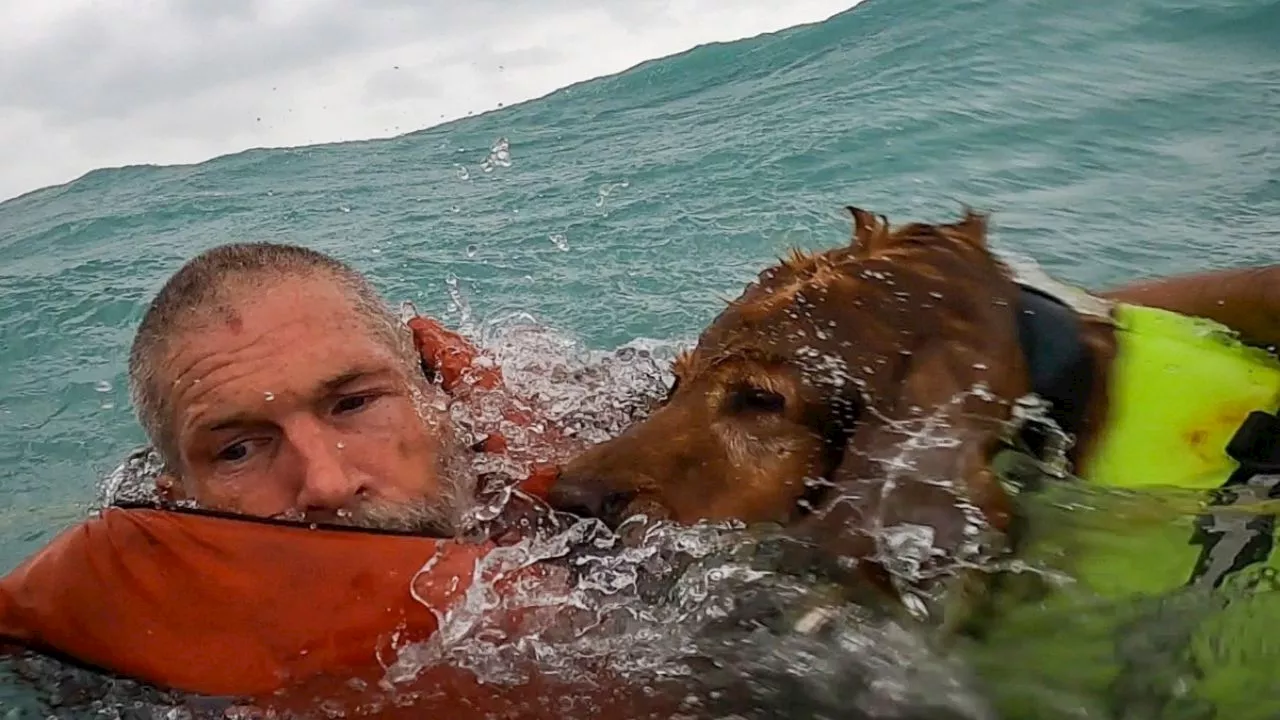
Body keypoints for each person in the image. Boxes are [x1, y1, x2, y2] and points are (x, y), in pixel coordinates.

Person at [0, 240, 1277, 717]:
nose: (323, 480)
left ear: (433, 393)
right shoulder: (123, 654)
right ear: (170, 485)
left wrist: (1054, 334)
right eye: (238, 445)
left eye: (354, 403)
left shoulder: (587, 417)